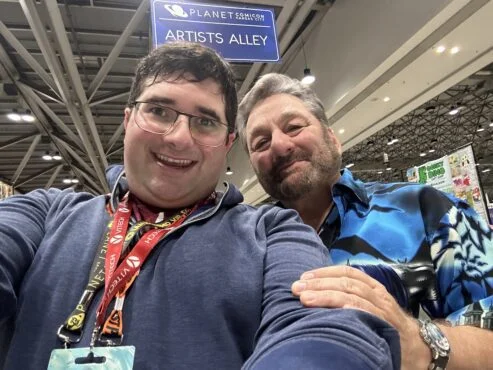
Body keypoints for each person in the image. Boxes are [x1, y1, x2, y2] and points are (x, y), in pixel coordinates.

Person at [0, 43, 400, 369]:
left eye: (205, 121)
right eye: (159, 110)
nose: (178, 138)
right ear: (128, 119)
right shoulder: (46, 214)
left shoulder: (273, 232)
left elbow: (320, 328)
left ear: (227, 144)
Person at [237, 72, 493, 370]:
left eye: (293, 127)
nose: (279, 146)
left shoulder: (422, 209)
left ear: (332, 138)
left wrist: (421, 343)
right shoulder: (247, 245)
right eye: (260, 142)